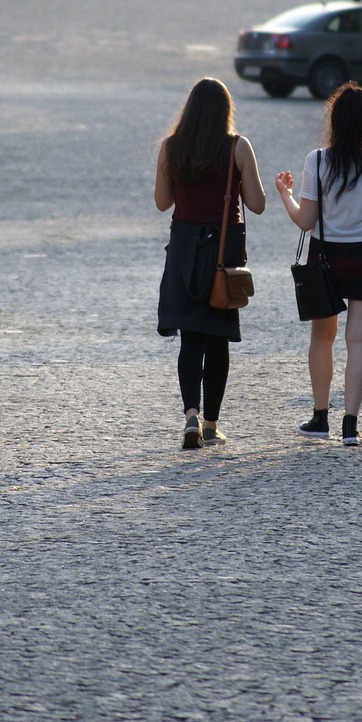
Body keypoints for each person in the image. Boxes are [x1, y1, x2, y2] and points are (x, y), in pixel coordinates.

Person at [275, 82, 362, 446]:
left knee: (322, 337)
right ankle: (351, 425)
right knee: (359, 339)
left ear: (333, 120)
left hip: (326, 257)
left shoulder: (315, 161)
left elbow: (305, 220)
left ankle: (320, 418)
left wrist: (284, 194)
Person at [156, 78, 266, 449]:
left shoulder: (172, 147)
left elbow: (161, 202)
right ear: (226, 111)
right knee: (218, 339)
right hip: (223, 253)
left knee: (191, 339)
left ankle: (189, 415)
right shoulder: (238, 147)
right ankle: (210, 424)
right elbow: (256, 204)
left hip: (185, 249)